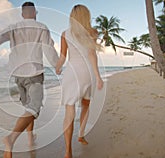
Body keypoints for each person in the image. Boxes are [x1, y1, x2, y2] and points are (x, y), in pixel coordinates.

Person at [0, 2, 59, 158]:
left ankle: (30, 137)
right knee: (34, 108)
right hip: (34, 73)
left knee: (27, 107)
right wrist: (57, 66)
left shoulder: (14, 27)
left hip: (18, 74)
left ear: (23, 13)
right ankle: (11, 139)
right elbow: (49, 49)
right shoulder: (41, 27)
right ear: (35, 12)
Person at [55, 4, 103, 158]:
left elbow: (62, 57)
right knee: (85, 105)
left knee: (69, 112)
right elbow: (92, 55)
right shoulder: (92, 32)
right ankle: (81, 135)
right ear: (86, 16)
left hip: (71, 73)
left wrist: (57, 67)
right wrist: (98, 76)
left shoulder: (65, 34)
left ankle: (68, 151)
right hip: (87, 73)